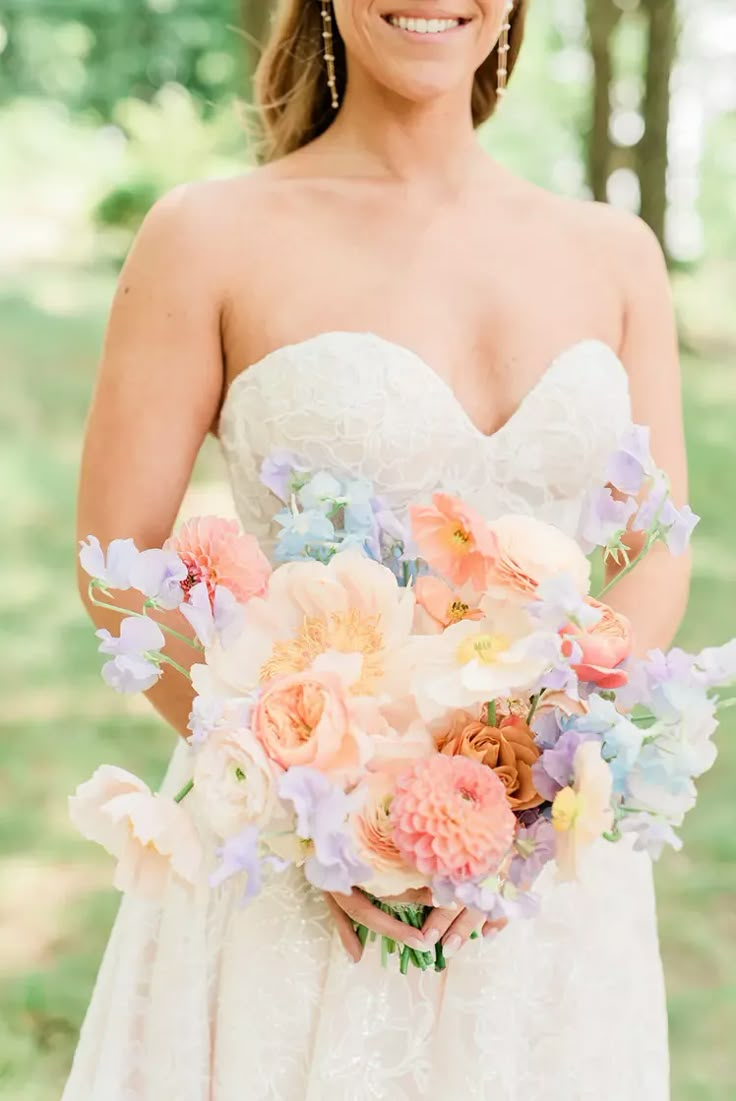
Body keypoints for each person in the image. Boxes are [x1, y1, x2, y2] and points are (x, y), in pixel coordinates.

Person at [63, 1, 690, 1097]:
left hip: (547, 888)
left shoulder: (613, 253)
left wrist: (525, 791)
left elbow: (654, 550)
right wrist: (321, 811)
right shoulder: (207, 236)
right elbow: (117, 562)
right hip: (291, 881)